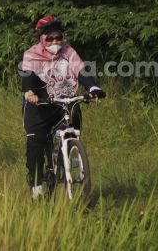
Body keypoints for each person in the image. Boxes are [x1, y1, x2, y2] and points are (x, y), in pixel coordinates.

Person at [21, 16, 106, 199]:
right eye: (50, 38)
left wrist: (93, 87)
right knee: (36, 143)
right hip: (39, 104)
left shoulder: (68, 51)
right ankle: (36, 187)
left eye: (58, 38)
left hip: (62, 101)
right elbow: (27, 75)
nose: (55, 42)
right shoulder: (31, 54)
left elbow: (81, 70)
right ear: (42, 38)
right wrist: (28, 91)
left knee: (74, 110)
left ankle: (72, 151)